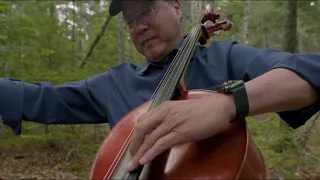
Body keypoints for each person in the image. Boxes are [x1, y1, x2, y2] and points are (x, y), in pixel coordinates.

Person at [1, 0, 319, 173]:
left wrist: (227, 104)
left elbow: (309, 72)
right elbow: (41, 99)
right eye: (130, 22)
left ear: (177, 7)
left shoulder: (224, 58)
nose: (139, 26)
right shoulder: (115, 82)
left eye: (147, 10)